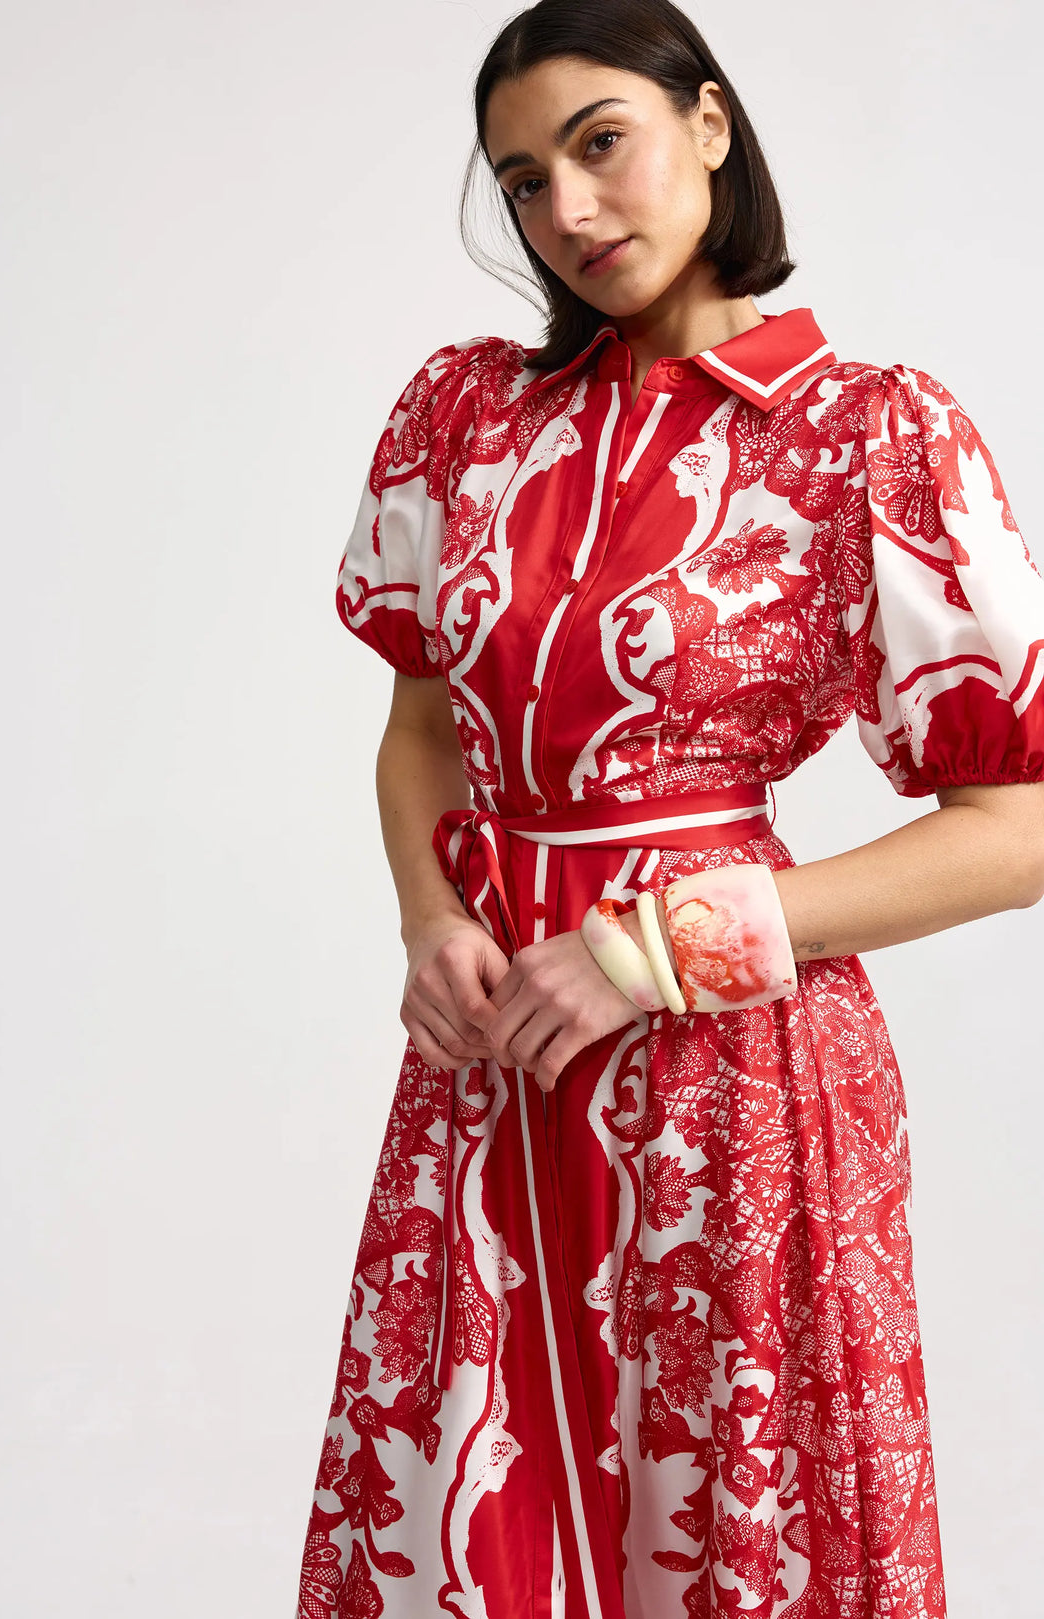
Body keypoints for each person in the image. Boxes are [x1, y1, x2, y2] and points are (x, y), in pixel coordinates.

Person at [296, 1, 1044, 1614]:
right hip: (494, 1064)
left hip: (735, 1086)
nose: (567, 210)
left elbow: (1021, 825)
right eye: (522, 180)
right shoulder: (465, 418)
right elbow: (422, 725)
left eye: (601, 144)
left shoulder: (864, 435)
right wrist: (428, 917)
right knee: (469, 1513)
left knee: (724, 1523)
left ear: (709, 124)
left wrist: (654, 952)